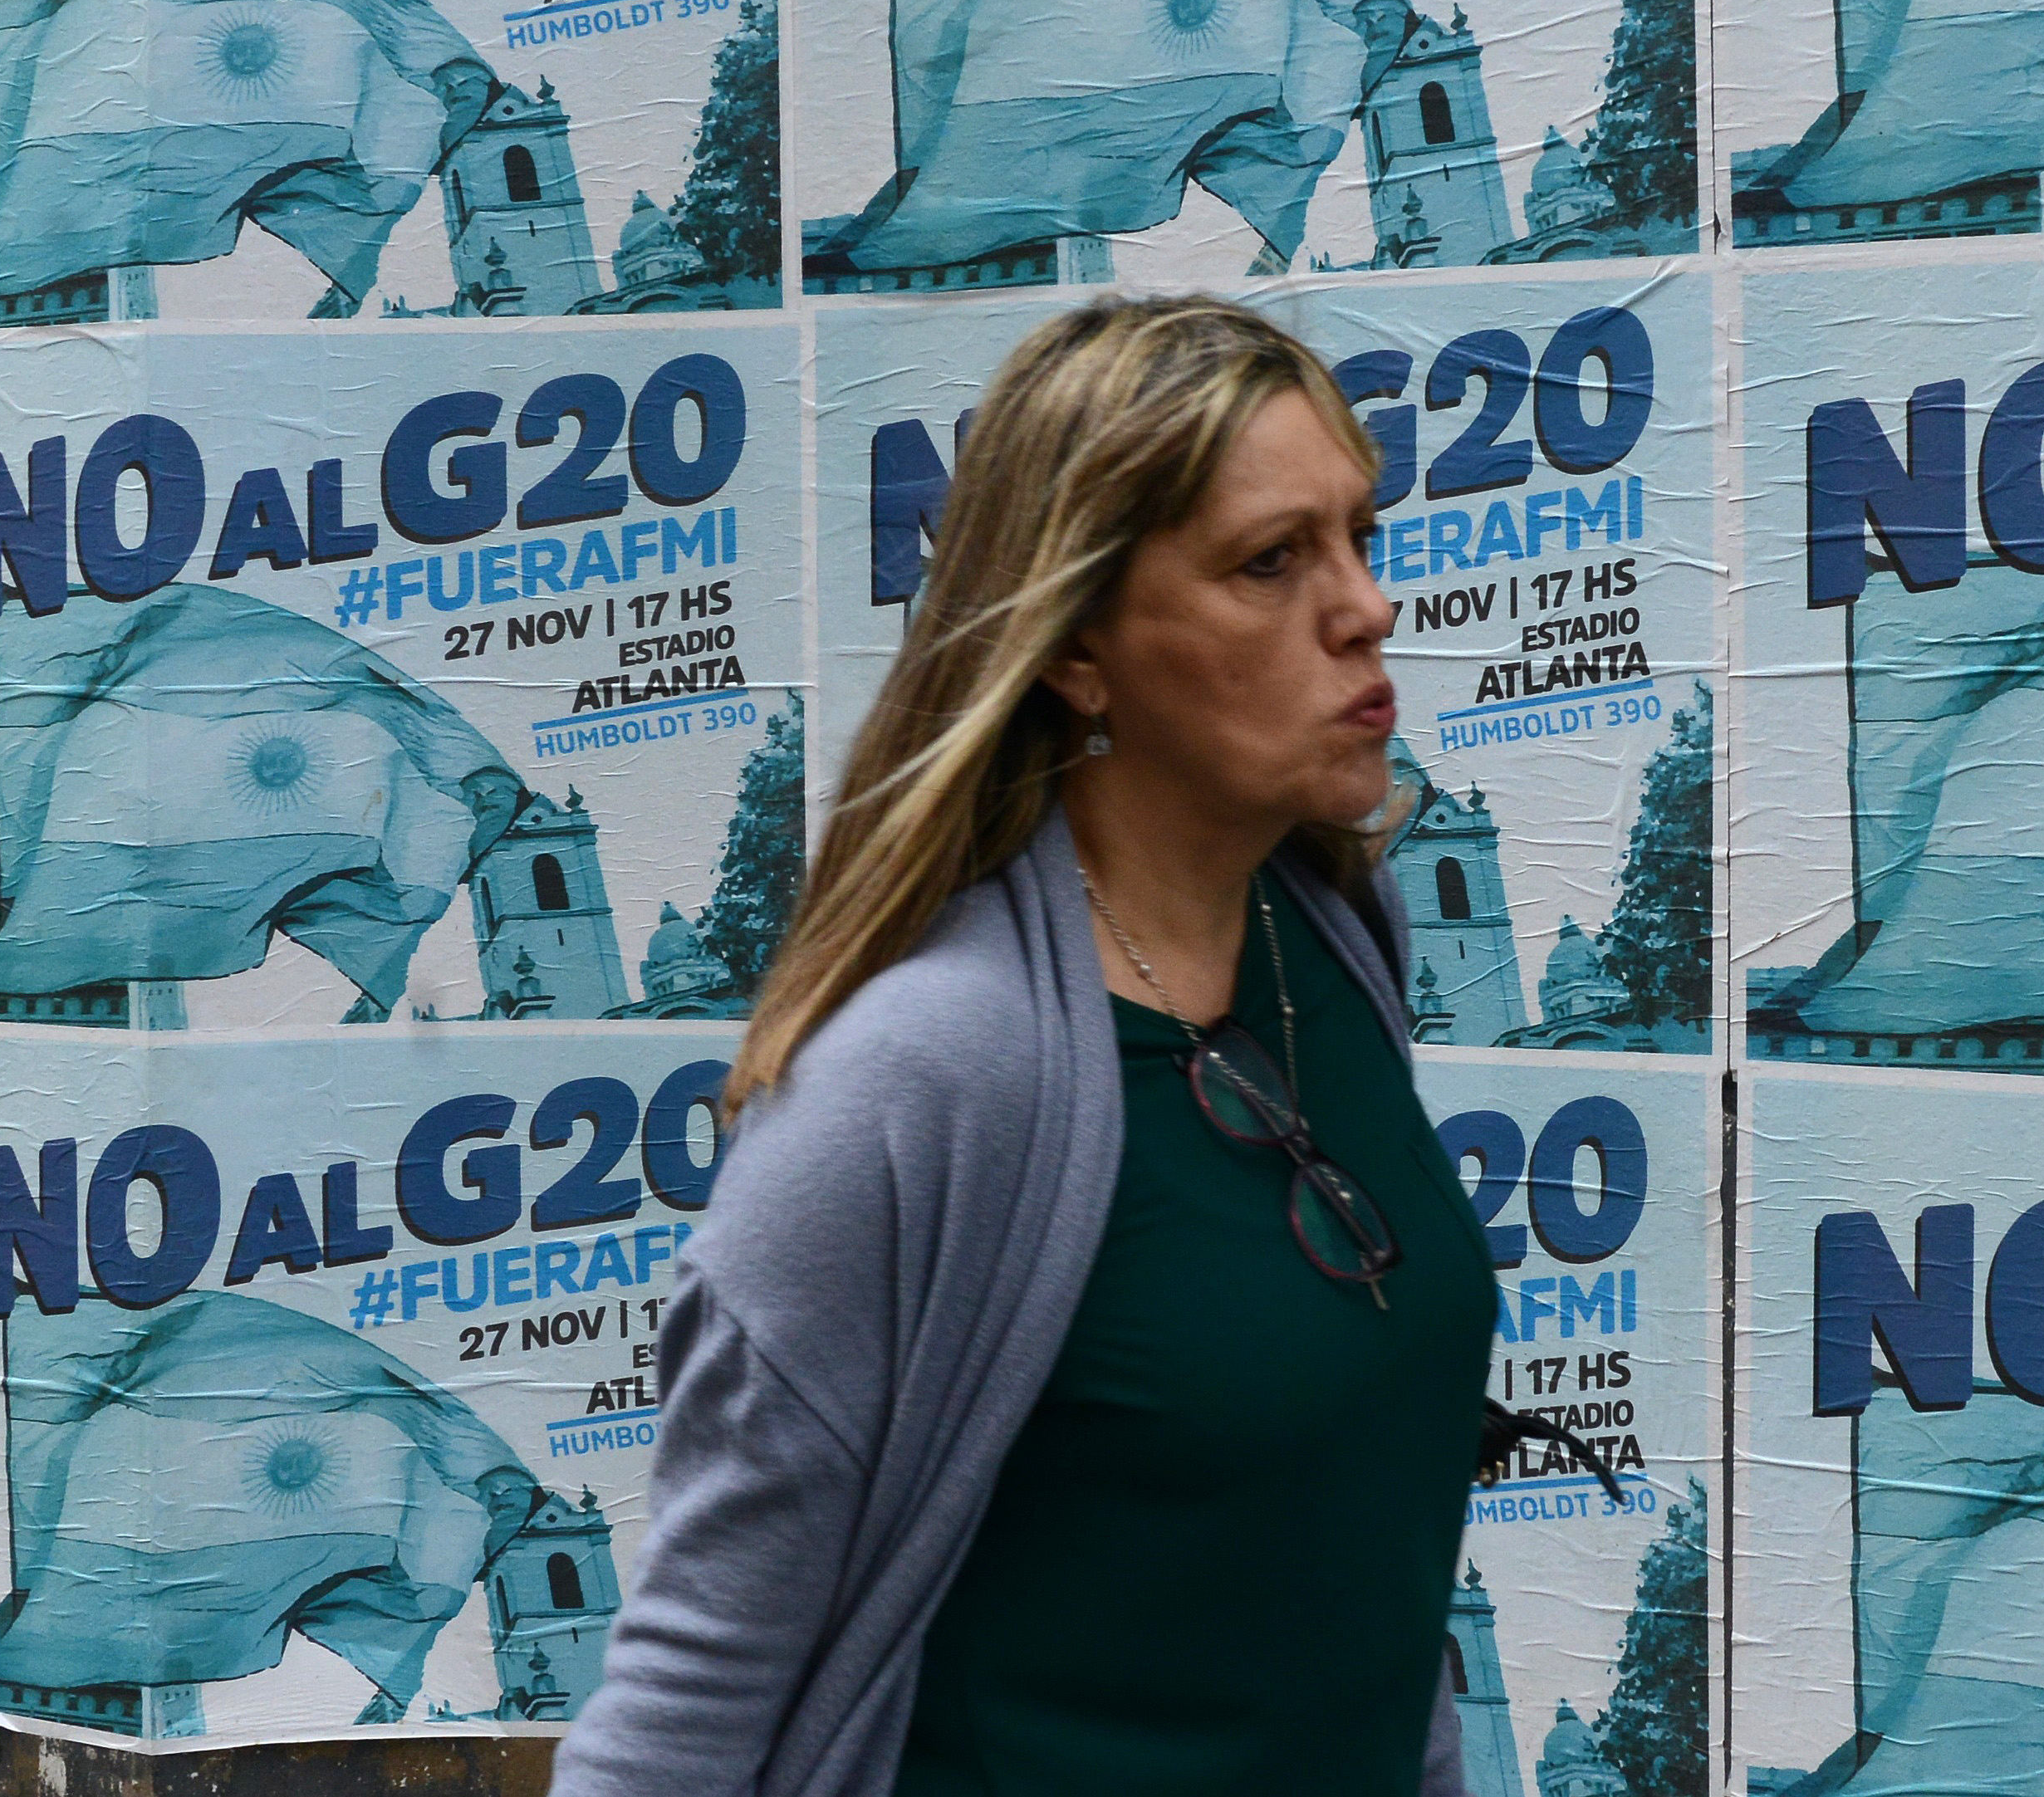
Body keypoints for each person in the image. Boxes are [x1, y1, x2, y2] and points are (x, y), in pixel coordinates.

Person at [552, 296, 1493, 1797]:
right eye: (1270, 559)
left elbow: (1352, 1595)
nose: (1366, 606)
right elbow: (684, 1707)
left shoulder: (1325, 940)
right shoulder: (918, 1079)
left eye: (1358, 536)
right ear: (1077, 651)